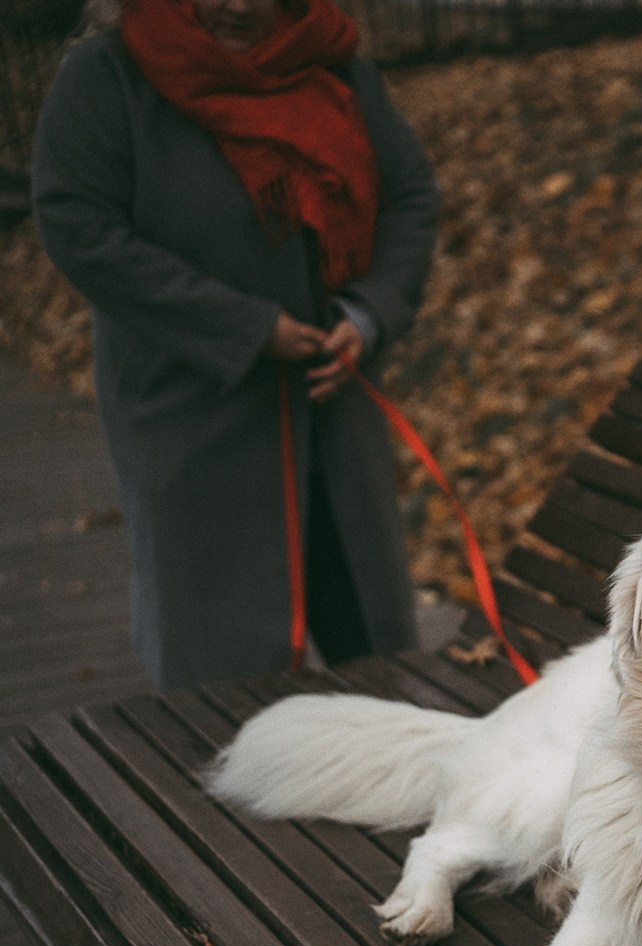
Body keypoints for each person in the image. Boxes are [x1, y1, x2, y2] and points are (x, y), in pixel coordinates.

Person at [32, 0, 439, 688]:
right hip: (194, 413)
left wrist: (369, 314)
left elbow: (411, 197)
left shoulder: (333, 67)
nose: (240, 5)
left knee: (379, 662)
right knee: (221, 675)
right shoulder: (107, 78)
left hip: (335, 410)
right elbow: (79, 226)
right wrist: (244, 327)